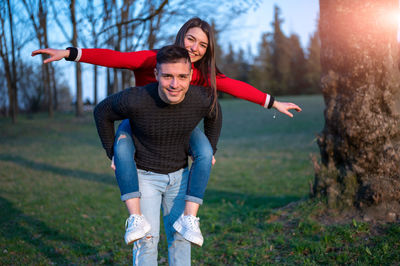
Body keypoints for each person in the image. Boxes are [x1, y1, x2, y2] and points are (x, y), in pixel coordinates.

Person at [32, 17, 302, 246]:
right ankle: (134, 217)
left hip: (179, 129)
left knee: (205, 151)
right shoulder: (154, 60)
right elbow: (117, 59)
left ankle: (191, 217)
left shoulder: (199, 74)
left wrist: (272, 102)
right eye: (191, 39)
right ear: (180, 37)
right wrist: (70, 53)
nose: (195, 48)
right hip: (141, 124)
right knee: (122, 149)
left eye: (202, 45)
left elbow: (233, 86)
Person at [94, 45, 222, 265]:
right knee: (146, 241)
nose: (175, 84)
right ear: (156, 74)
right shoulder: (136, 98)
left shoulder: (201, 98)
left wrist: (209, 148)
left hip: (180, 178)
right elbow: (101, 111)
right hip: (144, 178)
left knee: (181, 238)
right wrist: (111, 152)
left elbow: (215, 113)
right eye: (167, 76)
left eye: (182, 76)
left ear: (191, 75)